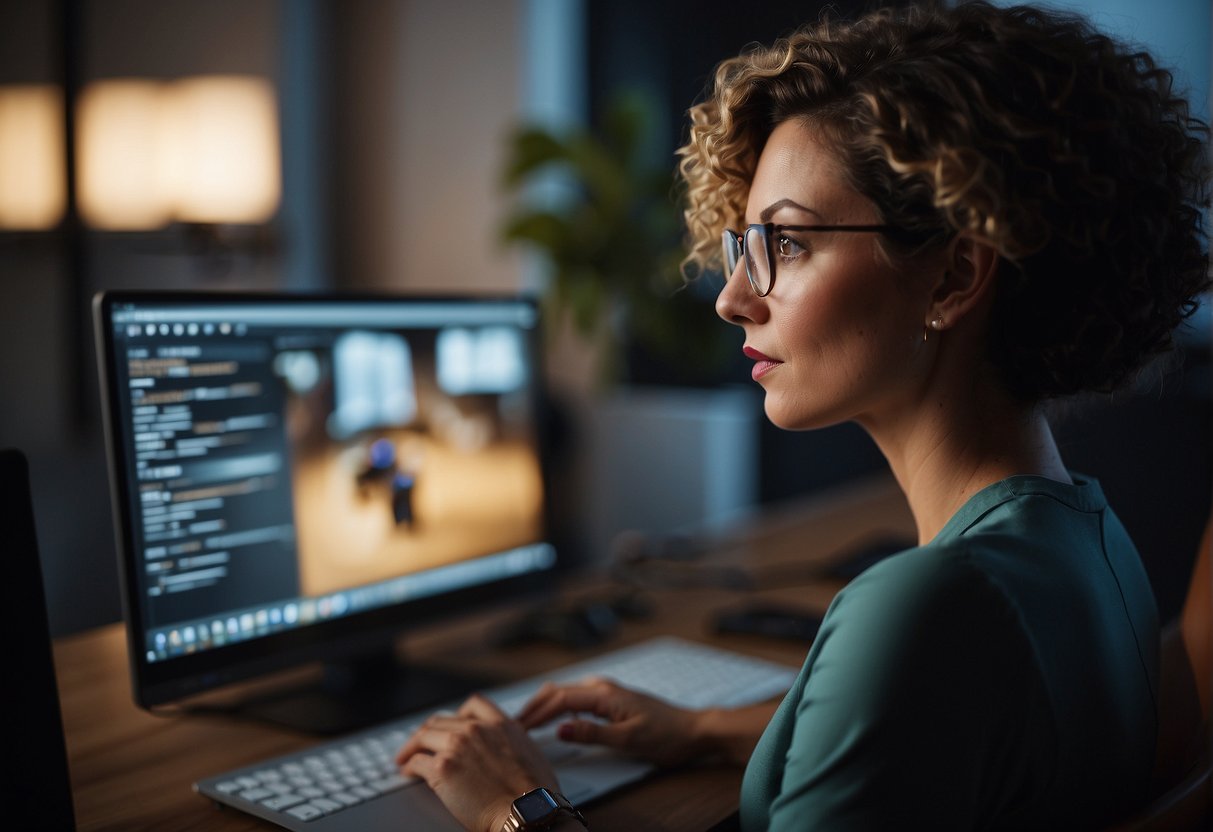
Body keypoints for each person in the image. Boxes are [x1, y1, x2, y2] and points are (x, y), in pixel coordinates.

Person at [395, 1, 1211, 829]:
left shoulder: (926, 604)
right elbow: (960, 742)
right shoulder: (1090, 536)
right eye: (742, 245)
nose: (733, 299)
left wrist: (517, 805)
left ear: (953, 277)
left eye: (785, 244)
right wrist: (710, 728)